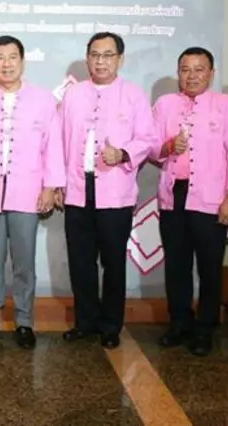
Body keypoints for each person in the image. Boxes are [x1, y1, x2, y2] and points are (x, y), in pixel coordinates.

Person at [0, 35, 65, 349]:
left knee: (24, 262)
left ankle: (24, 321)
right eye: (0, 58)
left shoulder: (43, 100)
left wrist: (50, 187)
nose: (6, 64)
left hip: (27, 192)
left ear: (22, 61)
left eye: (12, 57)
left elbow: (53, 146)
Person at [56, 32, 156, 349]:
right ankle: (85, 322)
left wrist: (123, 153)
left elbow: (149, 139)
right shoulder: (73, 95)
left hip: (115, 191)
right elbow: (57, 140)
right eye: (95, 55)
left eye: (108, 55)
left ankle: (111, 325)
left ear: (120, 59)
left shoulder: (133, 95)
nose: (101, 61)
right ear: (87, 58)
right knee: (81, 261)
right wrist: (57, 182)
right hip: (77, 187)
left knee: (113, 262)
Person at [151, 47, 228, 356]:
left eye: (199, 69)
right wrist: (168, 146)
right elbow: (150, 148)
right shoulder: (164, 104)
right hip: (173, 196)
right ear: (178, 73)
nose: (191, 76)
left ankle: (205, 328)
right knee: (176, 265)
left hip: (211, 199)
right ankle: (179, 323)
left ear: (211, 73)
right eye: (185, 69)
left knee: (209, 266)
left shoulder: (225, 105)